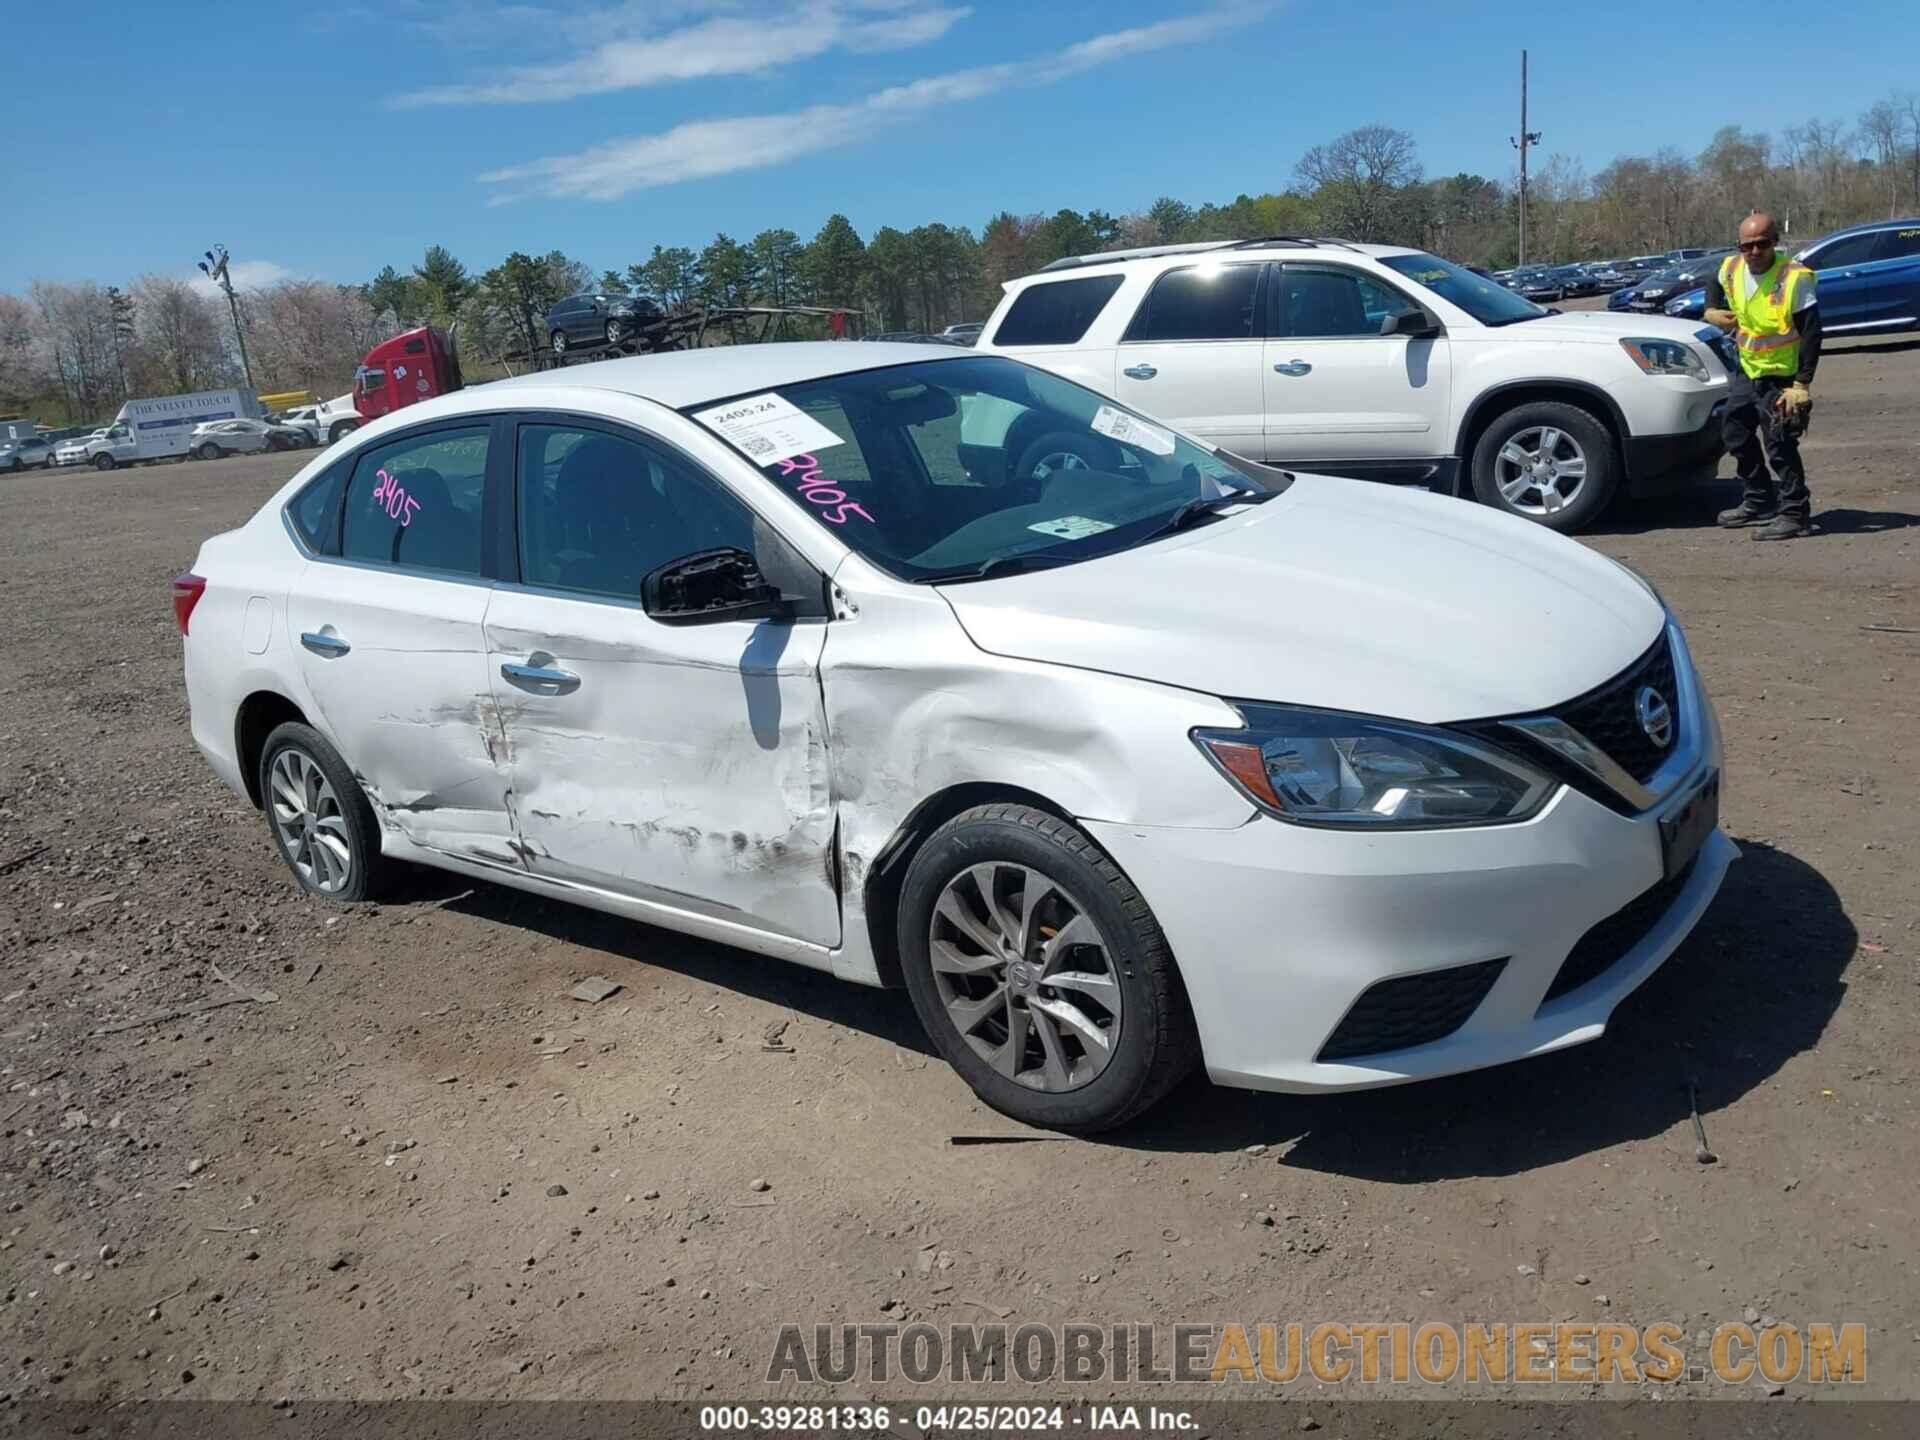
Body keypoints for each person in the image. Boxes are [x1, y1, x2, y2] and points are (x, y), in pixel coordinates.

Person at [1704, 212, 1820, 540]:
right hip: (1749, 370)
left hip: (1783, 376)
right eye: (1747, 246)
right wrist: (1711, 308)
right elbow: (1712, 280)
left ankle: (1796, 514)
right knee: (1735, 433)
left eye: (1762, 244)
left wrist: (1802, 385)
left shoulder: (1794, 278)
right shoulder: (1732, 268)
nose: (1754, 252)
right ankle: (1759, 500)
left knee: (1780, 444)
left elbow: (1812, 333)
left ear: (1775, 243)